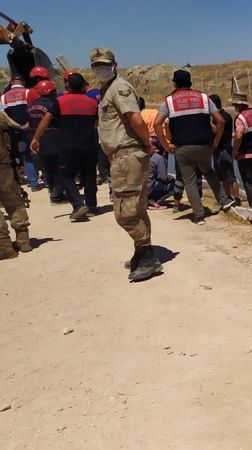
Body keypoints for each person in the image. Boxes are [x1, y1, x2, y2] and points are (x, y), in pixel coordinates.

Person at [90, 47, 161, 282]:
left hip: (127, 156)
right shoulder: (107, 89)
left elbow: (135, 118)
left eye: (104, 64)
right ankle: (142, 253)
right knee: (137, 209)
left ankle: (148, 257)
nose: (100, 68)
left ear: (114, 64)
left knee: (125, 214)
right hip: (123, 156)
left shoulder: (119, 87)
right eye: (96, 65)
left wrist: (147, 144)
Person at [153, 69, 236, 225]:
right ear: (190, 82)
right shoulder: (204, 97)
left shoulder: (169, 101)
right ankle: (224, 200)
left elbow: (157, 124)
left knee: (189, 180)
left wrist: (165, 144)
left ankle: (198, 215)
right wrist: (216, 142)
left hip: (182, 148)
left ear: (174, 83)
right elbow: (221, 121)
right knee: (209, 171)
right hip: (204, 146)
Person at [49, 73, 98, 220]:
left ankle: (78, 204)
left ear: (67, 86)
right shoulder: (92, 103)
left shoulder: (60, 101)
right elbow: (97, 123)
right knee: (89, 176)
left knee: (65, 175)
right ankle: (91, 206)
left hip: (67, 146)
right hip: (89, 145)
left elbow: (47, 120)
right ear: (84, 85)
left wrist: (36, 139)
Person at [0, 111, 32, 259]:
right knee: (14, 202)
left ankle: (4, 246)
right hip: (5, 166)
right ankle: (23, 240)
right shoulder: (1, 116)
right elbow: (13, 128)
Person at [0, 74, 40, 191]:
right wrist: (28, 123)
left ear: (12, 82)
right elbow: (35, 108)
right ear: (23, 82)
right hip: (31, 128)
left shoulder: (3, 98)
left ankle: (33, 184)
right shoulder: (29, 92)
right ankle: (48, 181)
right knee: (35, 152)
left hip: (15, 131)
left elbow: (4, 116)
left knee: (23, 155)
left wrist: (18, 126)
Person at [27, 80, 65, 205]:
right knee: (59, 168)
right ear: (52, 91)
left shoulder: (32, 105)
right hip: (54, 139)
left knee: (47, 168)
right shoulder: (54, 104)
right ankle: (56, 195)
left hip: (37, 141)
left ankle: (51, 190)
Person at [209, 94, 240, 206]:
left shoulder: (224, 117)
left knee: (230, 176)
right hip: (217, 150)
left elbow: (218, 131)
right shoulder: (216, 117)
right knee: (222, 177)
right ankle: (228, 197)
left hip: (224, 149)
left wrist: (208, 126)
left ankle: (237, 199)